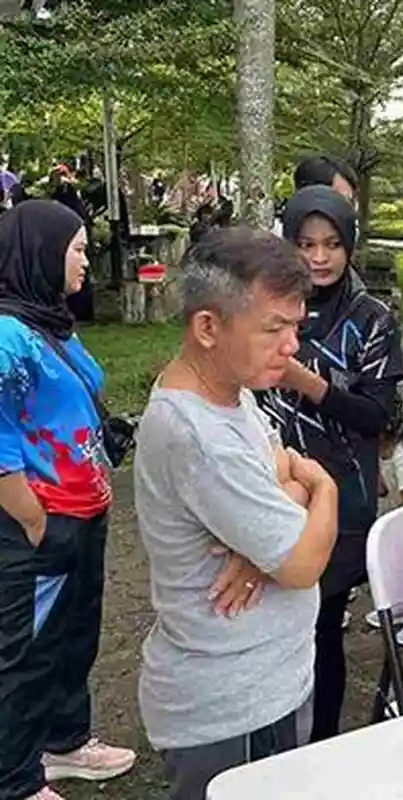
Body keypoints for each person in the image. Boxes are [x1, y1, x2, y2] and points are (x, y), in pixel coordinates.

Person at [133, 228, 339, 800]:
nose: (292, 346)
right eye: (273, 329)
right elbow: (300, 563)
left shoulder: (231, 393)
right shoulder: (200, 437)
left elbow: (278, 474)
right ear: (207, 327)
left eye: (296, 327)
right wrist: (325, 491)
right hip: (237, 704)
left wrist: (260, 542)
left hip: (267, 678)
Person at [258, 186, 403, 741]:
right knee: (271, 626)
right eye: (305, 243)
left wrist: (304, 380)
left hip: (342, 498)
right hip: (270, 492)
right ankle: (270, 743)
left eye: (332, 244)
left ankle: (317, 745)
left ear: (350, 246)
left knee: (320, 628)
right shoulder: (268, 310)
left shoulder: (372, 320)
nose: (318, 258)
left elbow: (376, 415)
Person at [0, 201, 135, 800]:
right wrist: (31, 517)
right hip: (39, 519)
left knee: (74, 635)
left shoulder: (49, 323)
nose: (85, 260)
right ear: (39, 252)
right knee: (26, 652)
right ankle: (15, 779)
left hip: (84, 509)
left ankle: (64, 742)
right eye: (77, 248)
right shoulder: (6, 335)